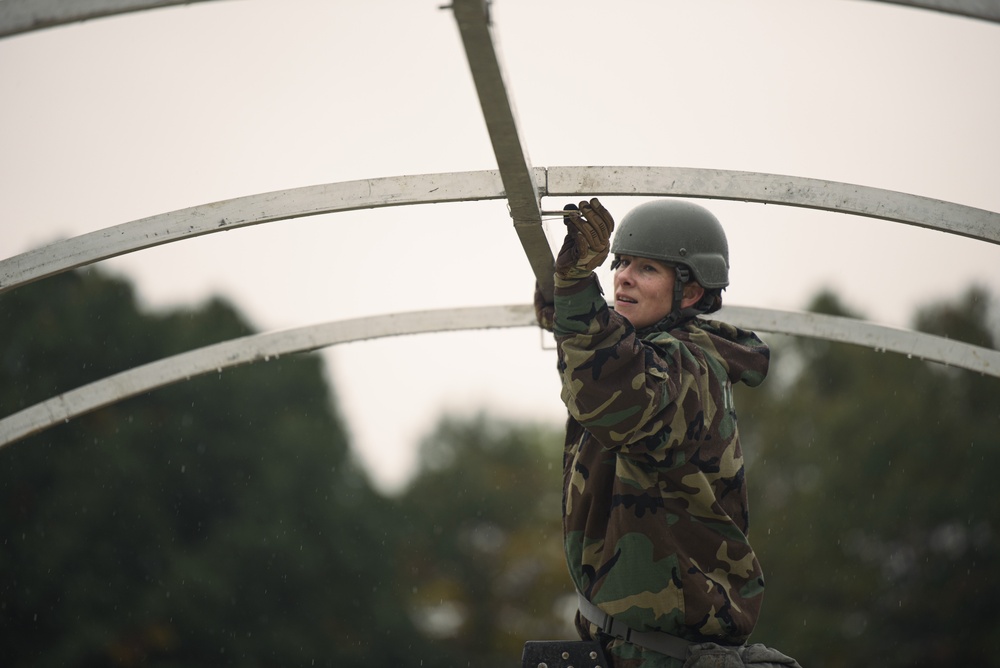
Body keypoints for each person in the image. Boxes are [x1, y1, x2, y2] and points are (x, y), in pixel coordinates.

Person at [534, 198, 799, 668]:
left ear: (692, 293)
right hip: (628, 649)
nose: (624, 277)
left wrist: (575, 291)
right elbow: (600, 359)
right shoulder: (650, 353)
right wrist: (567, 302)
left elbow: (612, 389)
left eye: (648, 268)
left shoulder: (691, 368)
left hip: (663, 656)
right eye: (621, 263)